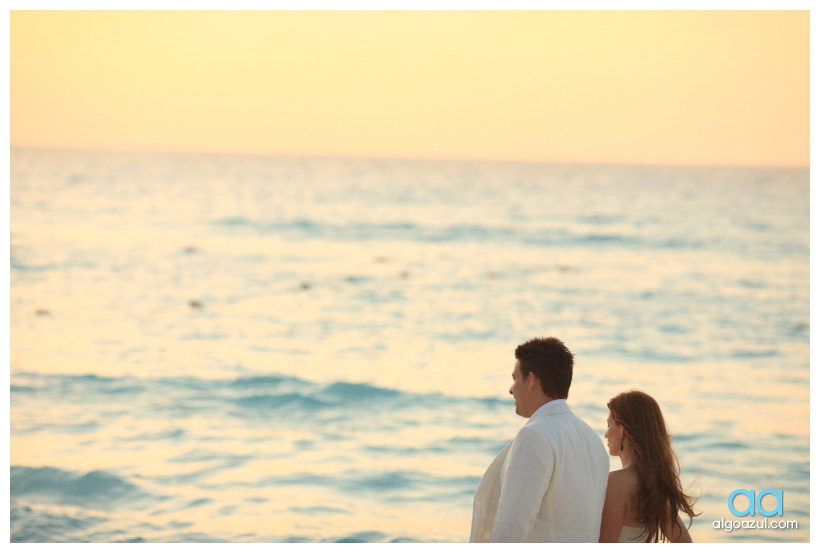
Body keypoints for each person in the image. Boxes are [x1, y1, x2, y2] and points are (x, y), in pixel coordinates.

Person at [469, 337, 610, 542]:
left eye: (515, 378)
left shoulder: (534, 436)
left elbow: (512, 526)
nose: (511, 388)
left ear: (532, 381)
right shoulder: (593, 440)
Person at [600, 391, 699, 542]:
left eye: (609, 424)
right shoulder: (654, 485)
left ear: (622, 430)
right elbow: (685, 543)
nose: (606, 434)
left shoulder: (617, 482)